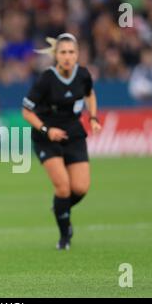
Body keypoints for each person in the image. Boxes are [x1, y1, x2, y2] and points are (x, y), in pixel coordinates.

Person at [22, 33, 102, 250]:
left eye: (71, 52)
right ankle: (65, 235)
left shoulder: (83, 75)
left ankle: (59, 207)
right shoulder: (46, 79)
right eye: (63, 52)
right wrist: (47, 130)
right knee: (64, 188)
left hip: (74, 135)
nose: (67, 56)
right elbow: (26, 112)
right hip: (46, 137)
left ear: (78, 54)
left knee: (81, 187)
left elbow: (90, 95)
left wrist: (93, 117)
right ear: (56, 55)